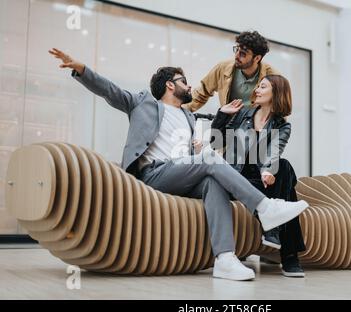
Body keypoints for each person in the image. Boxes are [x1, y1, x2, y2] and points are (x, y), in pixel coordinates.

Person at [49, 48, 309, 281]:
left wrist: (201, 144)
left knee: (212, 181)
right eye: (184, 81)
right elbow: (110, 90)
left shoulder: (188, 116)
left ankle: (225, 259)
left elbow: (212, 145)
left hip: (181, 175)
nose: (190, 86)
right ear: (170, 86)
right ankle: (265, 207)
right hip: (153, 174)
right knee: (209, 162)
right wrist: (82, 70)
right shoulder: (142, 103)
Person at [210, 75, 307, 277]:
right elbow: (216, 143)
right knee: (287, 177)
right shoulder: (243, 114)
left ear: (276, 93)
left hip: (262, 179)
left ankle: (274, 233)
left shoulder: (282, 125)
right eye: (258, 87)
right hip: (235, 176)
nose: (257, 90)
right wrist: (222, 114)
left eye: (263, 87)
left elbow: (274, 151)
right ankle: (289, 254)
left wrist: (267, 170)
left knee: (284, 167)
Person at [184, 30, 278, 112]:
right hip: (229, 126)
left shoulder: (273, 76)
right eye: (237, 49)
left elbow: (280, 108)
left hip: (256, 129)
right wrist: (180, 112)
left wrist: (273, 132)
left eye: (243, 53)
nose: (236, 56)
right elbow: (201, 93)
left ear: (257, 58)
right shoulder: (222, 68)